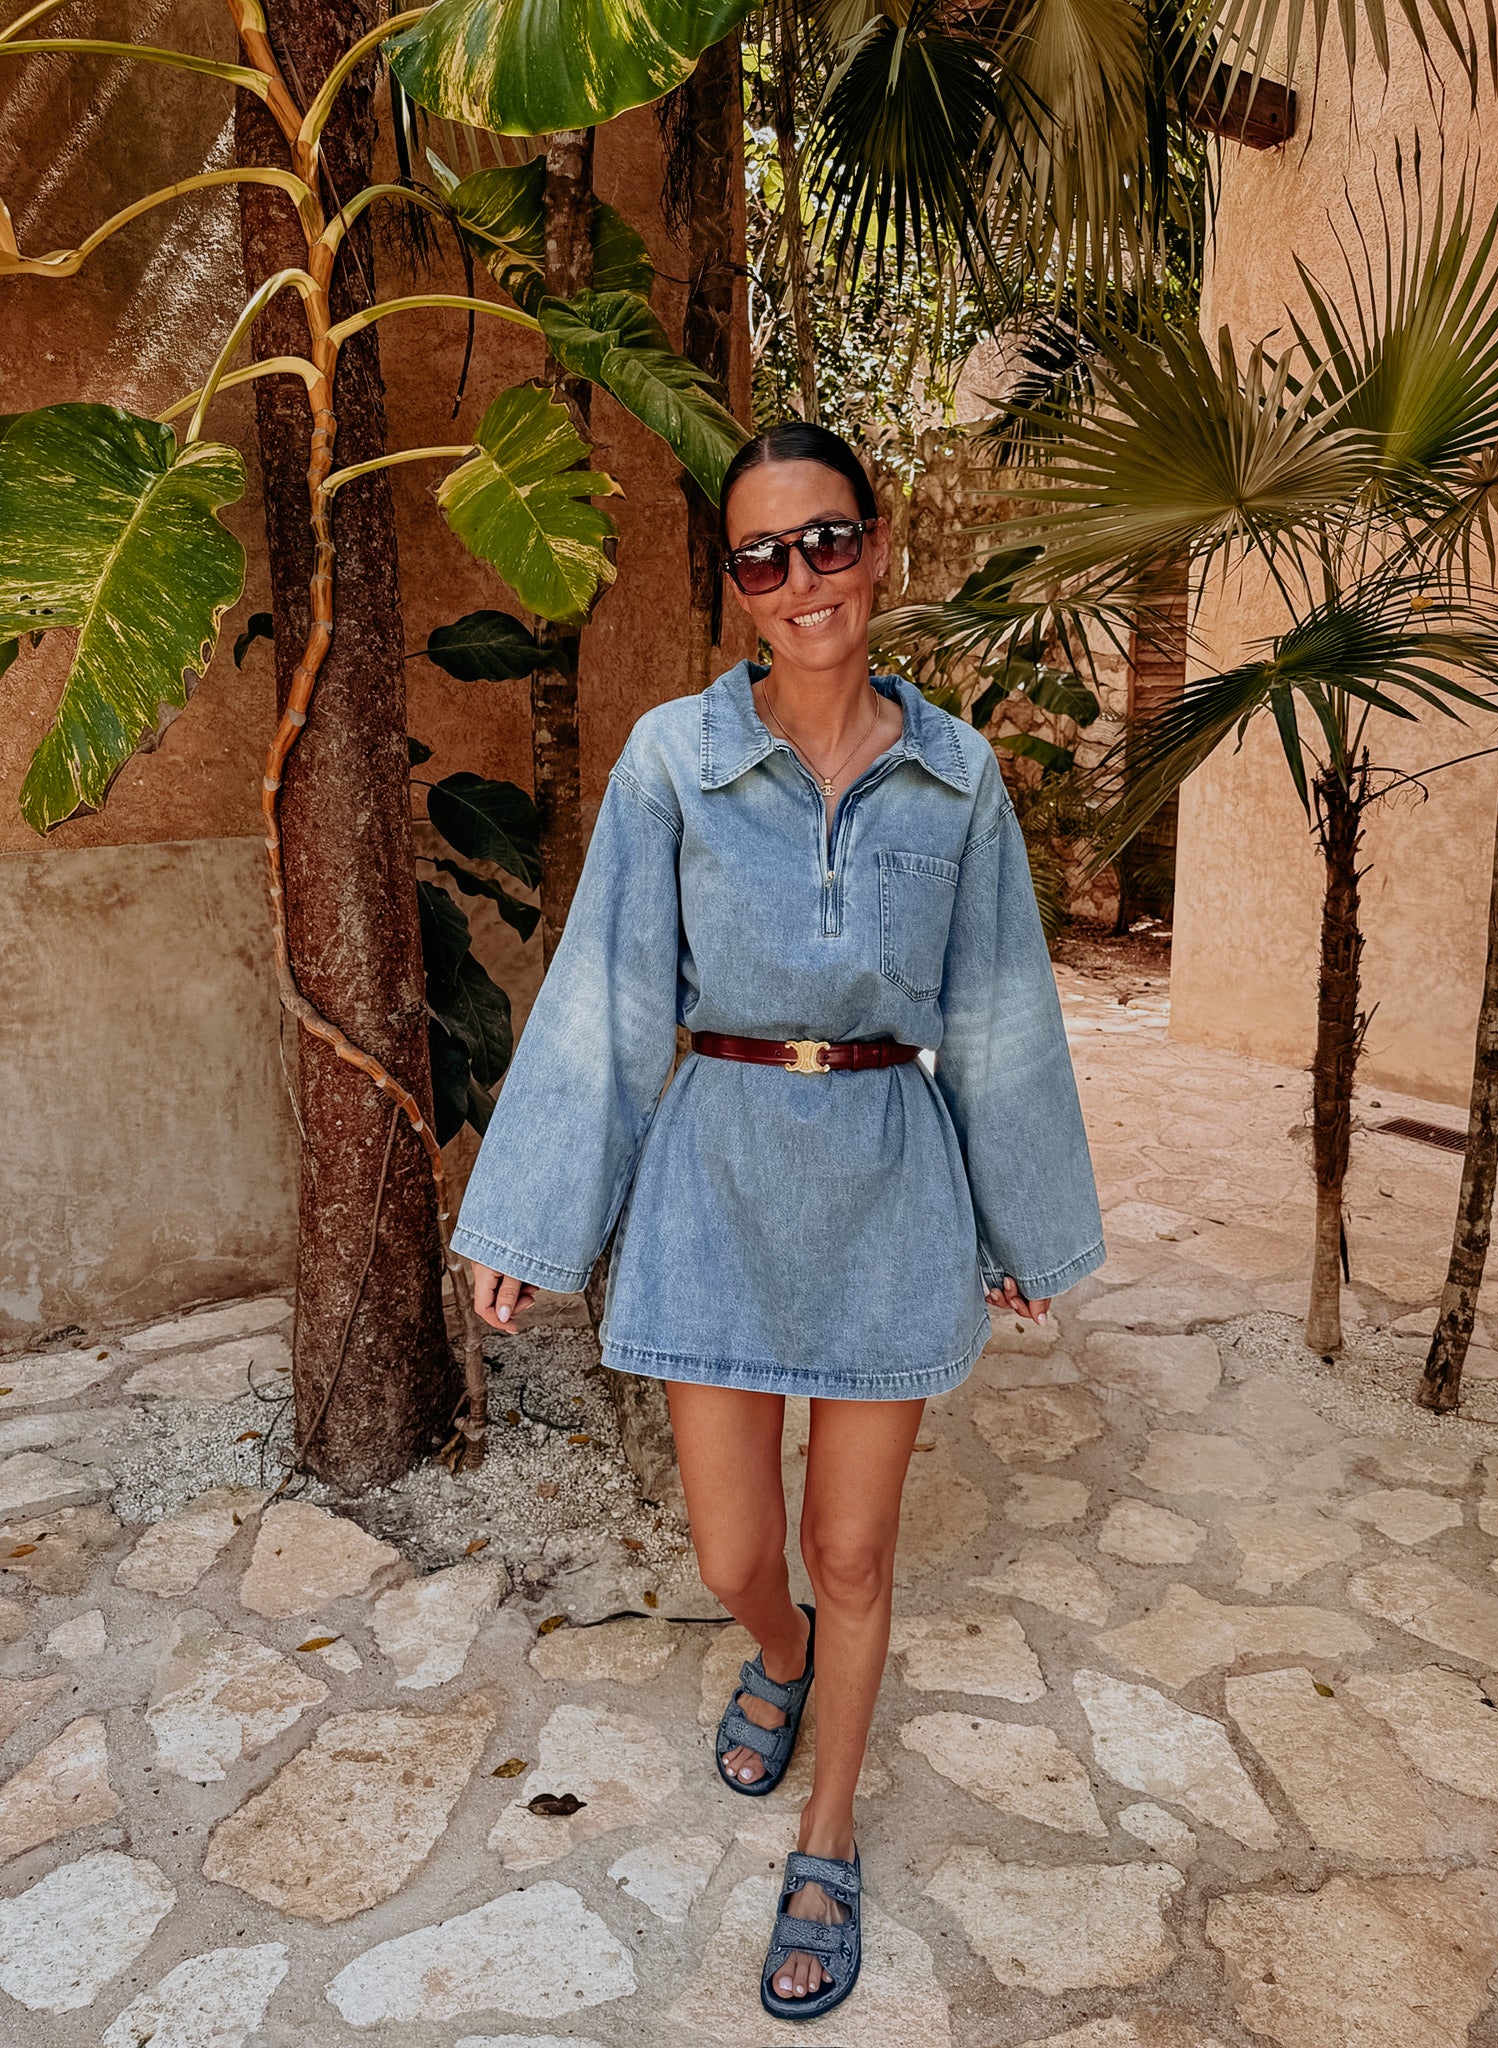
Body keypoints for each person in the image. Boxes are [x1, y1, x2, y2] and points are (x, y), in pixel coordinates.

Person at [455, 421, 1104, 2022]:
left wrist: (1024, 1225)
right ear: (735, 586)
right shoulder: (673, 762)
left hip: (887, 1176)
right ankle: (783, 1651)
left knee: (853, 1548)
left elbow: (999, 1006)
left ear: (878, 547)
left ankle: (829, 1833)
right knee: (738, 1553)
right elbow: (611, 992)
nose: (800, 577)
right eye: (761, 555)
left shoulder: (954, 778)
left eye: (826, 541)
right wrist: (528, 1220)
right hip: (718, 1176)